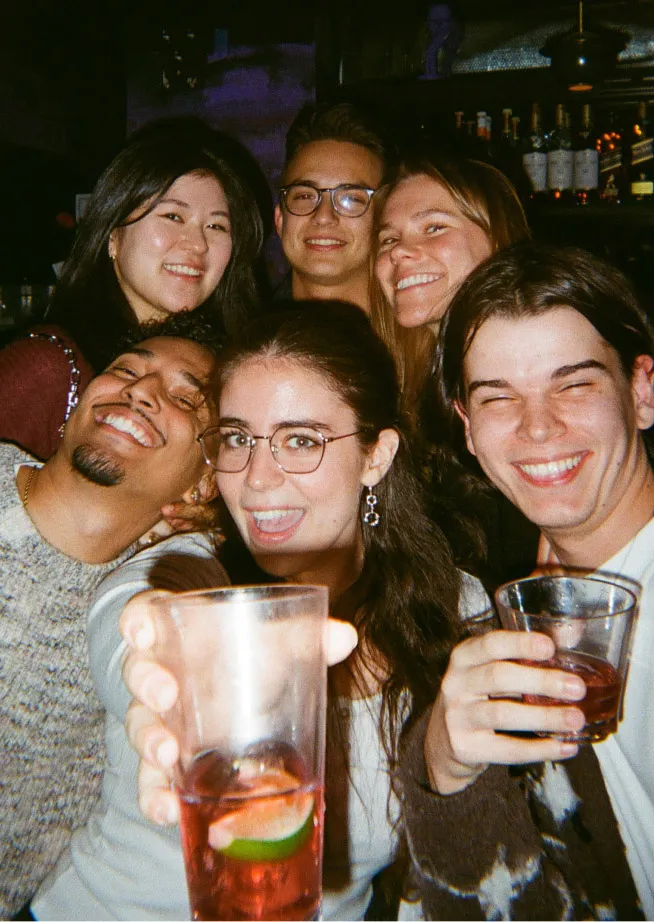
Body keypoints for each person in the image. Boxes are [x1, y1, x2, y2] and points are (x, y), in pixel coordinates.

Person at [33, 302, 491, 921]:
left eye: (300, 440)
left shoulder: (457, 610)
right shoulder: (185, 569)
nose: (256, 479)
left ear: (376, 456)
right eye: (237, 439)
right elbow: (136, 626)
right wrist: (171, 681)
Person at [398, 242, 653, 919]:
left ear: (642, 391)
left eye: (574, 385)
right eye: (498, 397)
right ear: (467, 428)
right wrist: (444, 769)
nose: (538, 426)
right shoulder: (519, 610)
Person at [0, 315, 224, 919]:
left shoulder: (152, 604)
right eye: (126, 369)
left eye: (185, 400)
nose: (140, 390)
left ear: (205, 484)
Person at [0, 116, 266, 460]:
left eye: (216, 226)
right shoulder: (48, 368)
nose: (198, 244)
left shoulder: (230, 372)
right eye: (173, 217)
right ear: (113, 235)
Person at [372, 155, 535, 588]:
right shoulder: (411, 390)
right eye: (388, 239)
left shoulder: (533, 383)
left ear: (497, 238)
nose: (398, 252)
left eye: (433, 227)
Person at [274, 102, 388, 312]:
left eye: (351, 199)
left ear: (385, 221)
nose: (324, 216)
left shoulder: (431, 329)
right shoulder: (241, 331)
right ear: (280, 220)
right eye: (305, 196)